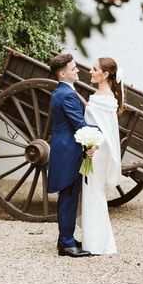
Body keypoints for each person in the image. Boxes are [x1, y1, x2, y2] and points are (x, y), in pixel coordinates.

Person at [47, 53, 92, 257]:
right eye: (74, 69)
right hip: (68, 152)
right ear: (63, 74)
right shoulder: (66, 94)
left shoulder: (62, 91)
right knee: (69, 196)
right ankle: (66, 243)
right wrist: (99, 136)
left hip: (65, 149)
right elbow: (79, 124)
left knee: (69, 196)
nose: (77, 71)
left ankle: (65, 239)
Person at [79, 57, 123, 255]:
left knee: (94, 193)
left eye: (94, 69)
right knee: (90, 193)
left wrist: (93, 145)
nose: (90, 71)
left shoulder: (105, 99)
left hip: (96, 151)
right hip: (93, 149)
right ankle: (92, 241)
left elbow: (108, 132)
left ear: (104, 74)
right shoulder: (101, 95)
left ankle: (98, 243)